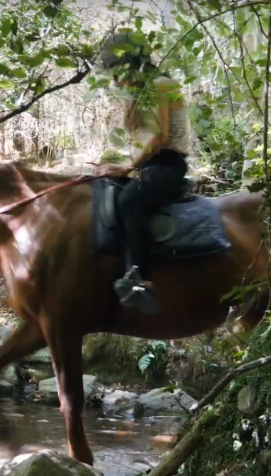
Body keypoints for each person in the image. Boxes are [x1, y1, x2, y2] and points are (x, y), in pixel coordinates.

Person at [97, 32, 192, 315]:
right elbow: (139, 142)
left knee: (130, 201)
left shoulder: (163, 85)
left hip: (167, 165)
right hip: (149, 165)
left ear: (130, 64)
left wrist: (128, 167)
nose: (115, 79)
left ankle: (142, 278)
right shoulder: (140, 94)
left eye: (116, 70)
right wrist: (113, 163)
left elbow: (158, 137)